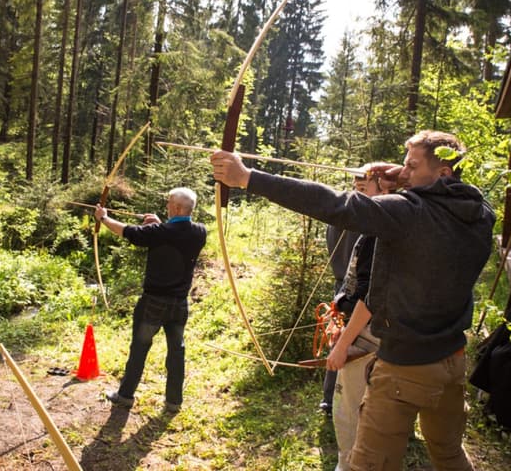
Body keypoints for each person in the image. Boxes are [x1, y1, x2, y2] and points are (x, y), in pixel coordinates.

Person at [211, 130, 495, 471]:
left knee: (367, 466)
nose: (403, 172)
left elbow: (336, 205)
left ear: (443, 173)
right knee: (449, 455)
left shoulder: (408, 213)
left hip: (406, 367)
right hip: (452, 360)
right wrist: (405, 173)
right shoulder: (480, 212)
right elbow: (440, 195)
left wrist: (248, 178)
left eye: (411, 166)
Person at [95, 187, 207, 413]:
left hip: (153, 304)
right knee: (177, 351)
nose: (166, 206)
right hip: (179, 304)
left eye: (168, 203)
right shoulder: (200, 232)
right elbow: (171, 233)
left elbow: (126, 231)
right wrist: (157, 223)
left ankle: (125, 396)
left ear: (176, 207)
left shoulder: (159, 232)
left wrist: (104, 218)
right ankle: (174, 402)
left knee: (140, 347)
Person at [326, 166, 393, 471]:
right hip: (359, 316)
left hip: (369, 328)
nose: (361, 194)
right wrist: (340, 303)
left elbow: (371, 293)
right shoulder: (375, 222)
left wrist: (345, 341)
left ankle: (350, 464)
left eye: (368, 188)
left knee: (351, 408)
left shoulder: (387, 226)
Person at [320, 178, 363, 417]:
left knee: (339, 340)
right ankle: (333, 400)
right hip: (352, 289)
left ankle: (329, 401)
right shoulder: (363, 215)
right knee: (343, 341)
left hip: (343, 287)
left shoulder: (342, 209)